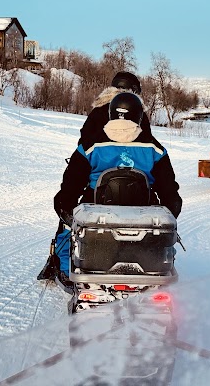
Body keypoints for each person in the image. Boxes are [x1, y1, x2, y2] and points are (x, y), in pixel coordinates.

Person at [41, 91, 182, 289]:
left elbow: (70, 186)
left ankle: (66, 271)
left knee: (67, 229)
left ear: (111, 114)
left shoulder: (90, 146)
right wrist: (168, 213)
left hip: (96, 210)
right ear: (139, 116)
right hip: (142, 213)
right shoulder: (155, 149)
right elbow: (170, 192)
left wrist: (67, 210)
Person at [78, 71, 152, 148]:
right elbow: (147, 140)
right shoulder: (138, 112)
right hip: (131, 157)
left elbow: (85, 136)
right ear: (134, 90)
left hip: (97, 157)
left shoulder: (98, 109)